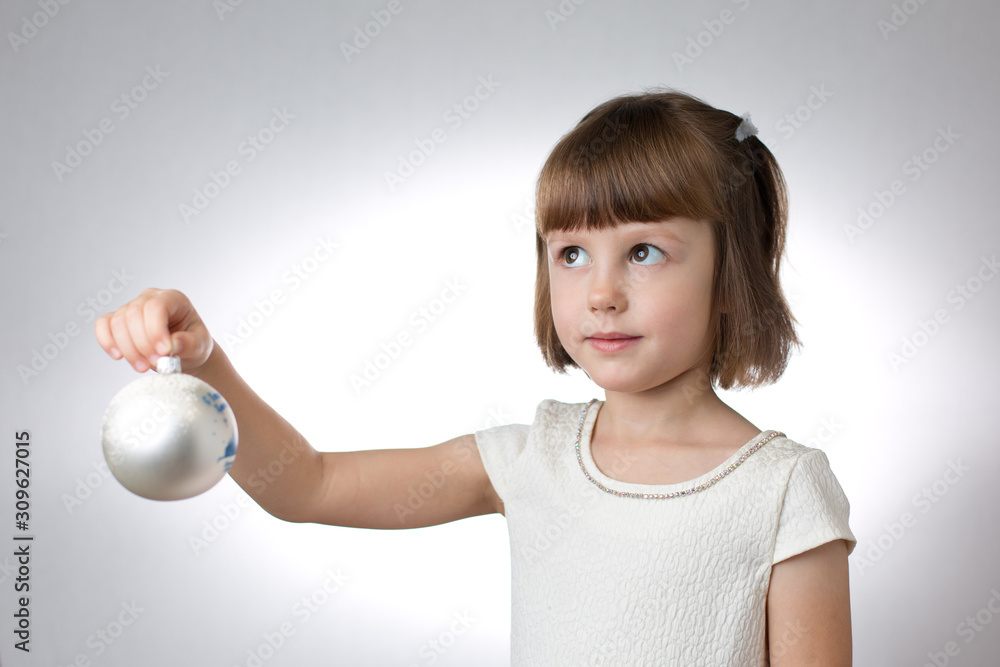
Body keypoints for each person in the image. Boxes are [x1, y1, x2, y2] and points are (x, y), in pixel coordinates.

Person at [95, 89, 855, 665]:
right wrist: (205, 363)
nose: (601, 292)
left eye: (645, 252)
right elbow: (307, 485)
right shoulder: (531, 460)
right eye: (572, 254)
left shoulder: (784, 490)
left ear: (732, 273)